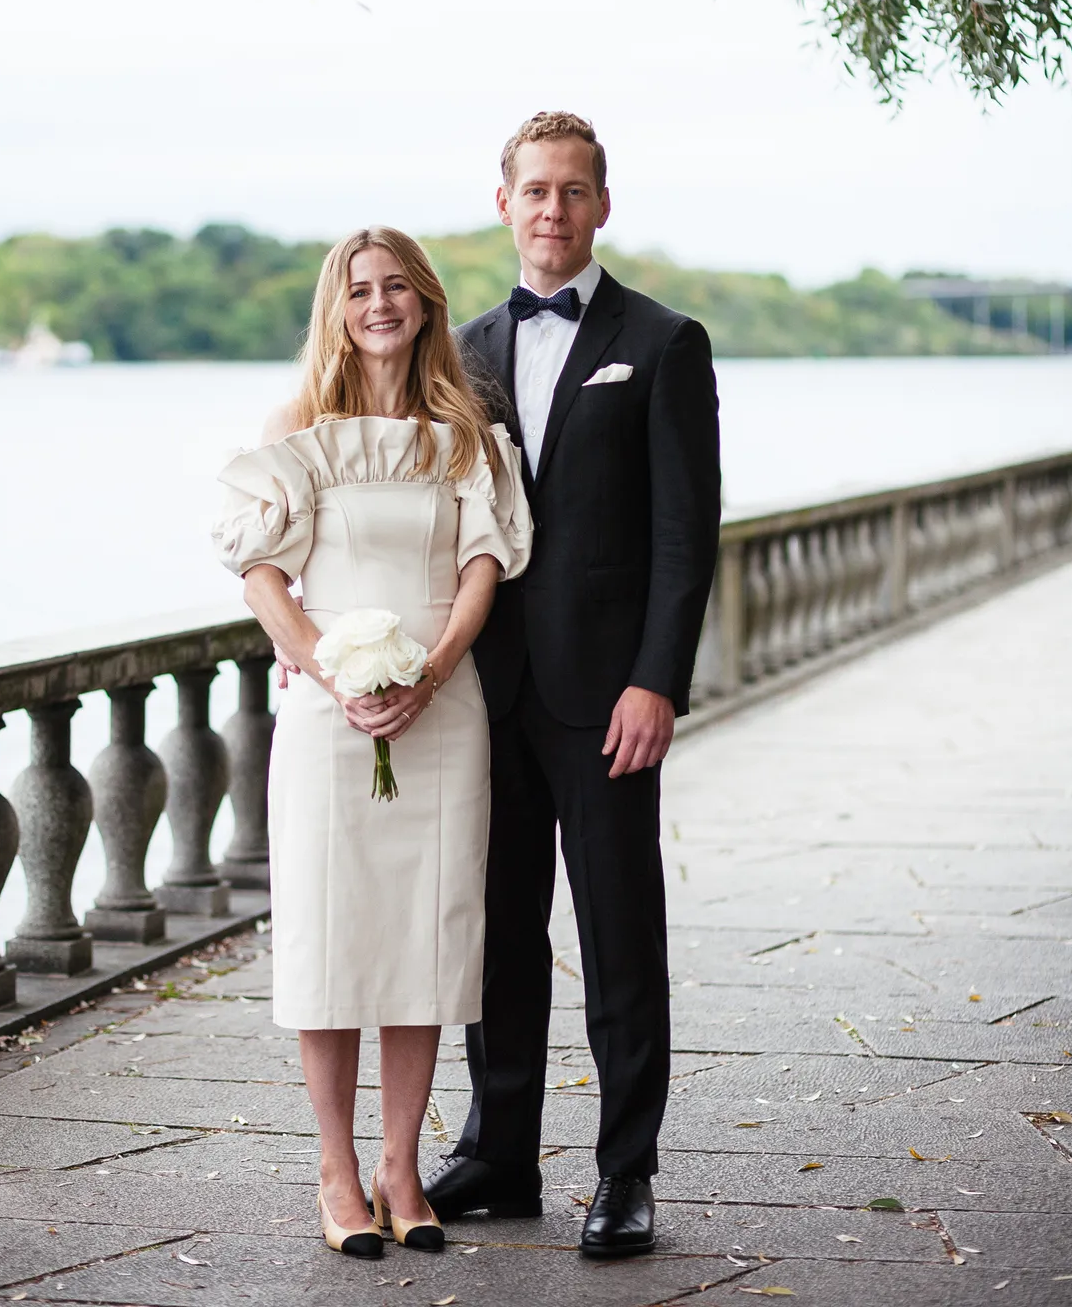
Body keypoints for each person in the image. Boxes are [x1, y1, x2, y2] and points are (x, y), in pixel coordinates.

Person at [424, 111, 722, 1258]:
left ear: (603, 206)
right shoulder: (465, 351)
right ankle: (501, 1151)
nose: (553, 210)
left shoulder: (662, 341)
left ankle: (626, 1172)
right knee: (495, 936)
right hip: (484, 700)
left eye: (574, 192)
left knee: (618, 935)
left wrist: (659, 683)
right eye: (534, 190)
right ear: (504, 202)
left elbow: (685, 537)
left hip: (607, 699)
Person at [212, 227, 531, 1261]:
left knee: (423, 935)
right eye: (360, 290)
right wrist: (321, 665)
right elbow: (260, 566)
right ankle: (338, 1173)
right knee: (335, 933)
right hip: (326, 716)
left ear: (427, 302)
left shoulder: (462, 429)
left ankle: (403, 1167)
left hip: (445, 708)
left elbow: (485, 562)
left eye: (398, 286)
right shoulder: (299, 423)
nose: (380, 304)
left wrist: (430, 670)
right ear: (336, 309)